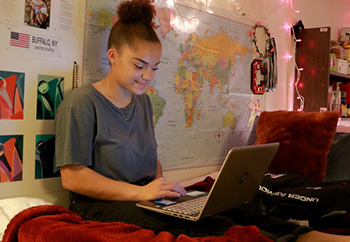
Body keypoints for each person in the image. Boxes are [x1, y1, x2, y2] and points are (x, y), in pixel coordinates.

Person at [55, 0, 350, 241]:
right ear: (112, 56)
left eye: (155, 68)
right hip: (99, 204)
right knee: (205, 227)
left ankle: (304, 235)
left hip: (142, 193)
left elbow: (151, 159)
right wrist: (142, 193)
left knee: (232, 209)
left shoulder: (142, 102)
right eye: (139, 66)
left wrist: (162, 187)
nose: (148, 76)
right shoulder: (81, 103)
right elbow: (73, 177)